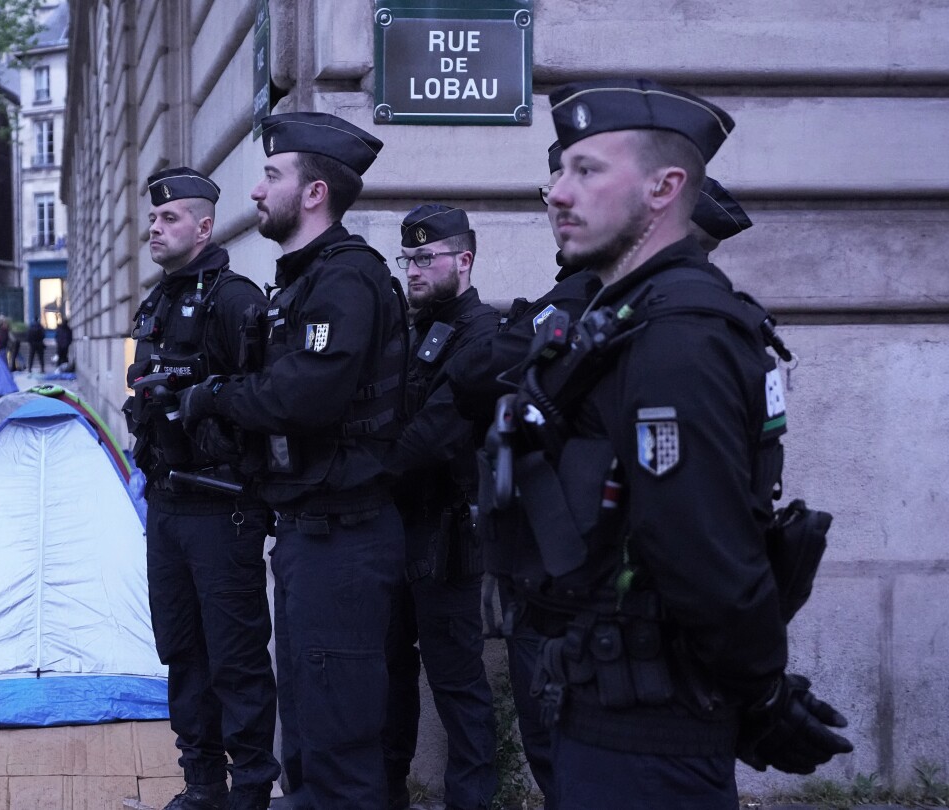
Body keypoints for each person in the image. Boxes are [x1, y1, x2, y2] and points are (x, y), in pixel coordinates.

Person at [478, 78, 852, 809]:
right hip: (606, 708)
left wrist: (765, 694)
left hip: (651, 737)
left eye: (586, 170)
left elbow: (701, 551)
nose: (557, 192)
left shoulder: (678, 336)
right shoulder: (621, 318)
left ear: (664, 187)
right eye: (560, 170)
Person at [177, 111, 407, 809]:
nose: (255, 192)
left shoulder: (345, 280)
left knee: (337, 743)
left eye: (272, 175)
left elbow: (305, 395)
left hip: (345, 537)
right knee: (308, 734)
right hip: (313, 533)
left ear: (313, 194)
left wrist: (217, 394)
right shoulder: (306, 281)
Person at [123, 167, 278, 810]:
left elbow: (269, 401)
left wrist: (205, 405)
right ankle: (204, 783)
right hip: (167, 502)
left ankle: (249, 790)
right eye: (153, 220)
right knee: (181, 649)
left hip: (222, 507)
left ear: (205, 227)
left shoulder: (235, 300)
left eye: (169, 219)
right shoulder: (158, 301)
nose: (155, 229)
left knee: (235, 655)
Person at [380, 205, 501, 810]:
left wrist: (366, 470)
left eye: (426, 257)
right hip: (401, 527)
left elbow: (435, 434)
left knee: (457, 684)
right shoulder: (414, 327)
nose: (414, 269)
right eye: (408, 259)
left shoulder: (482, 334)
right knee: (391, 671)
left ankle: (472, 802)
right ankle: (387, 793)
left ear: (464, 260)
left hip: (448, 532)